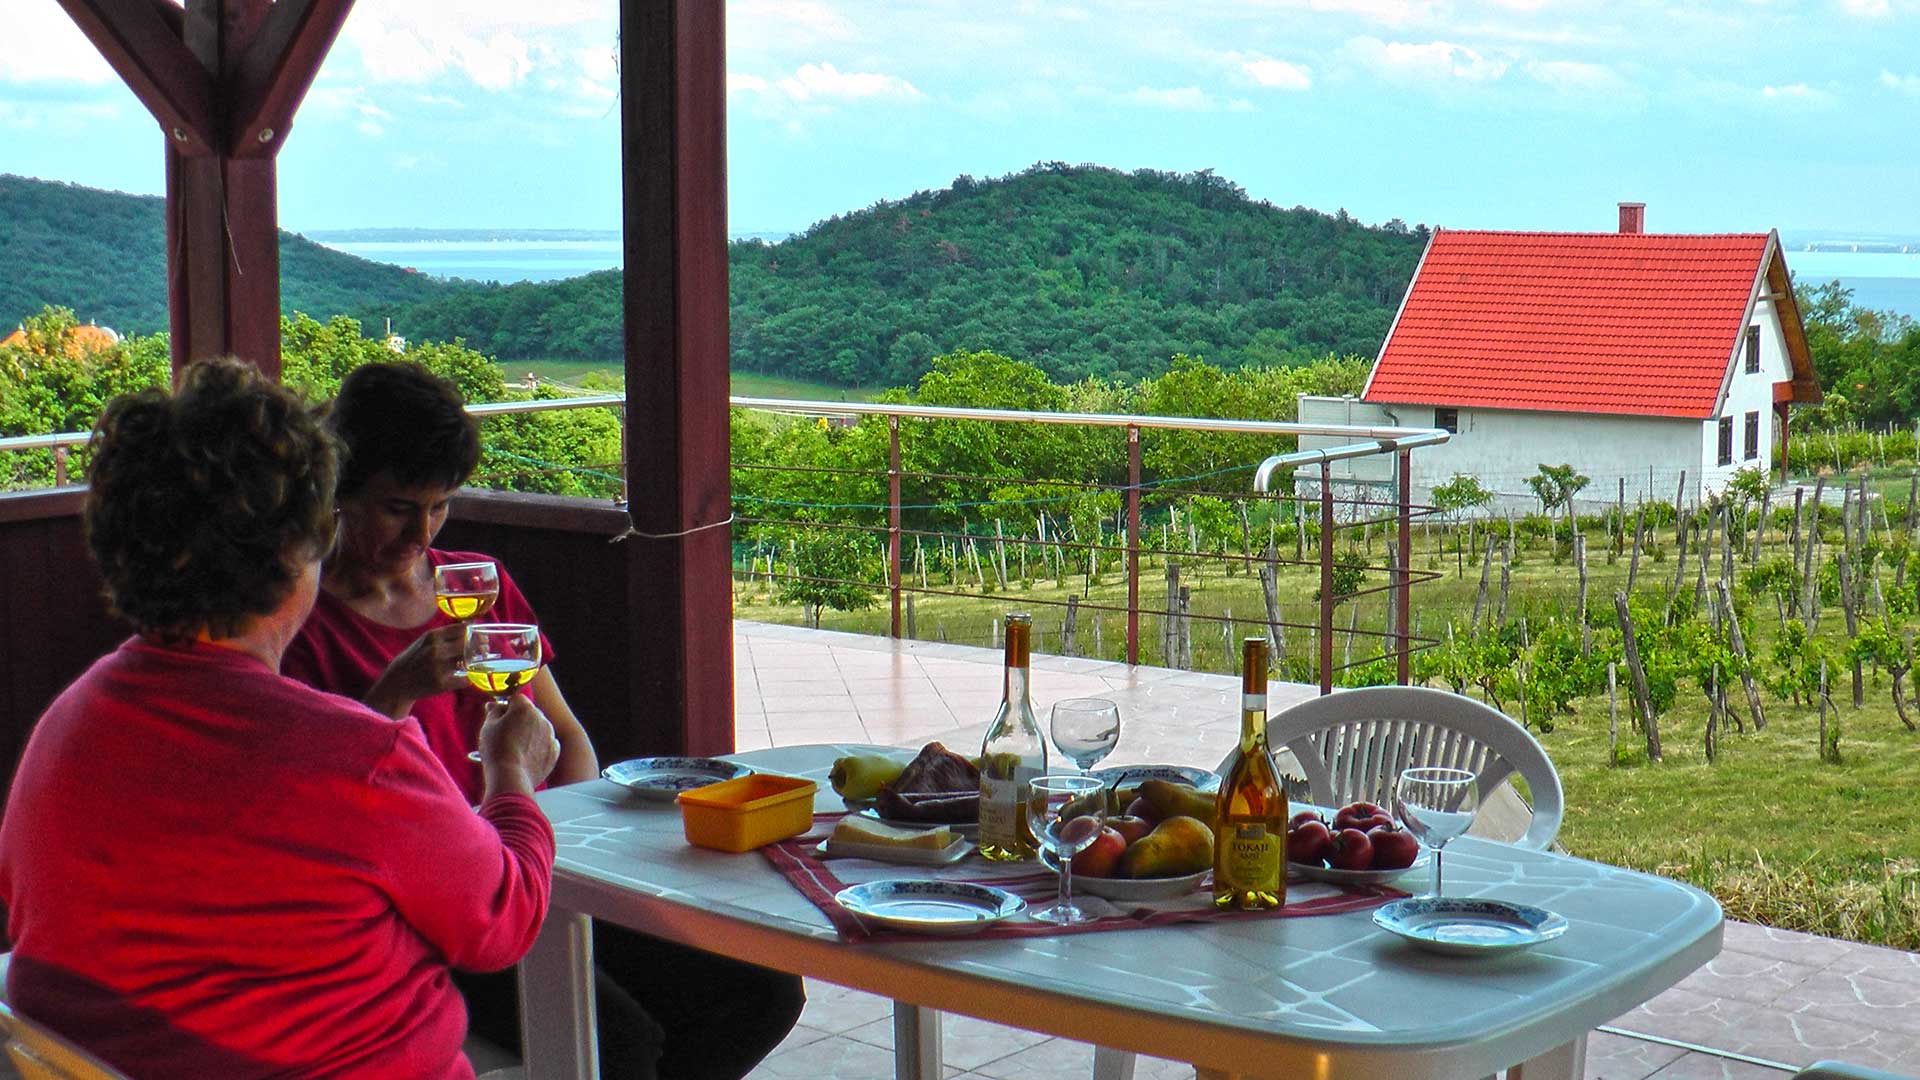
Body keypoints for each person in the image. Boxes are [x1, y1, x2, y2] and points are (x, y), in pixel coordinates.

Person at [0, 357, 561, 1079]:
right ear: (304, 548)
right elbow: (505, 921)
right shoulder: (355, 757)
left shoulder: (70, 724)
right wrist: (511, 770)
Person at [282, 361, 804, 1080]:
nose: (421, 531)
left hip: (534, 873)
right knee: (617, 1042)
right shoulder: (300, 622)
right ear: (340, 490)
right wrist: (396, 690)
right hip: (431, 910)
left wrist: (567, 840)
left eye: (439, 506)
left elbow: (567, 738)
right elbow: (315, 803)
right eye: (399, 506)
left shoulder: (475, 582)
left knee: (760, 992)